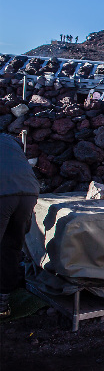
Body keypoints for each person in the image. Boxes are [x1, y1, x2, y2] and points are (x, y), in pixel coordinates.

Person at [0, 134, 40, 317]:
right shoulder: (9, 140)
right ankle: (3, 305)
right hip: (28, 191)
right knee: (12, 246)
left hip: (2, 192)